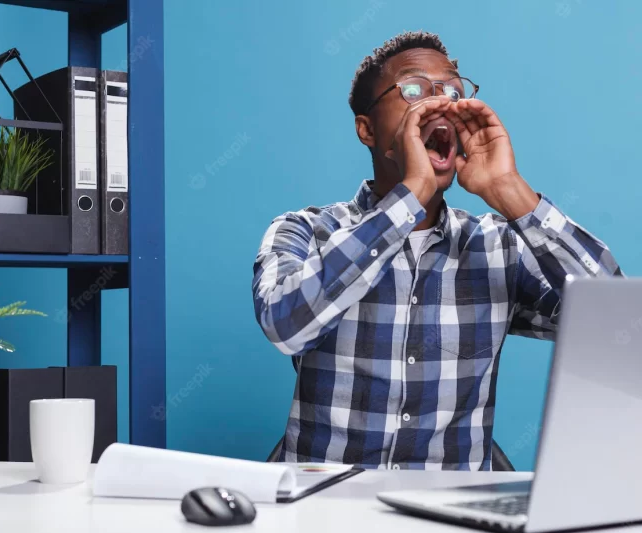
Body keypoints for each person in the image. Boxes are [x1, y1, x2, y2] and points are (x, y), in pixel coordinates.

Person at [252, 31, 622, 470]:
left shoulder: (498, 246)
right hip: (323, 505)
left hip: (452, 508)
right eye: (413, 90)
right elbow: (286, 324)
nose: (439, 103)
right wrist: (412, 195)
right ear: (366, 129)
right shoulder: (307, 231)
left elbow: (613, 318)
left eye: (451, 90)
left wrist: (511, 192)